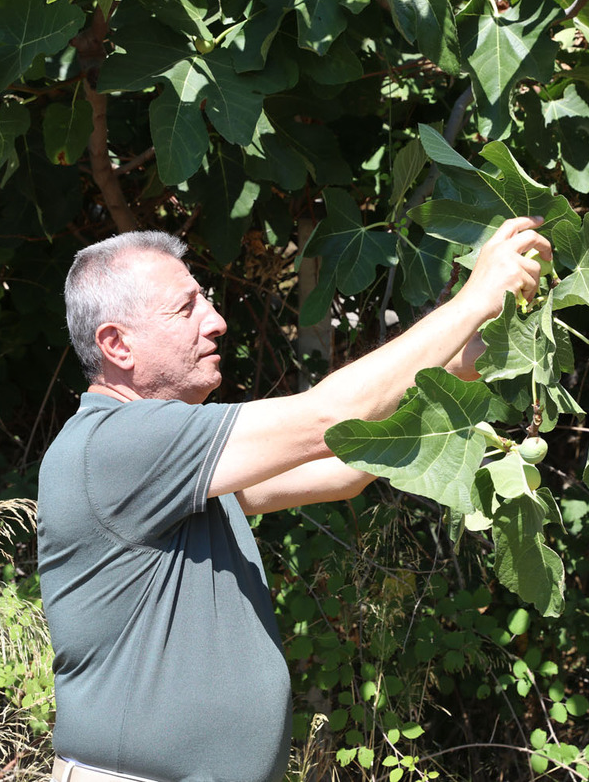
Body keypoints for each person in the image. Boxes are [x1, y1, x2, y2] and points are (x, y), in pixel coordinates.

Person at [37, 218, 551, 782]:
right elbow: (329, 415)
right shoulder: (118, 444)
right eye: (185, 310)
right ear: (116, 345)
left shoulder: (176, 471)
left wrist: (461, 367)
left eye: (204, 300)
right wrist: (474, 300)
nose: (217, 322)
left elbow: (344, 465)